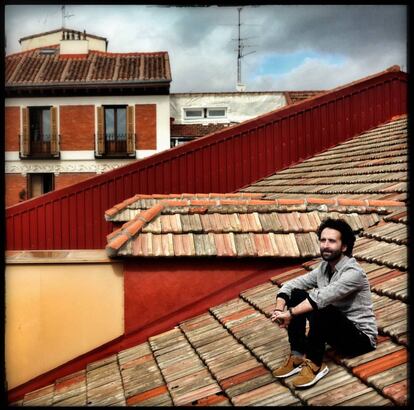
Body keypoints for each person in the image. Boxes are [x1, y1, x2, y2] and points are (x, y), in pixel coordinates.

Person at [271, 218, 377, 388]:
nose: (326, 245)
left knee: (321, 306)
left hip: (359, 340)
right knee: (297, 294)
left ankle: (314, 364)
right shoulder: (324, 268)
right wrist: (279, 309)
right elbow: (290, 286)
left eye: (332, 241)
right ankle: (297, 355)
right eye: (323, 240)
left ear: (344, 246)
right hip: (334, 334)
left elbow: (321, 298)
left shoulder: (353, 273)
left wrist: (289, 314)